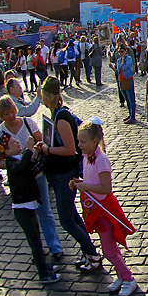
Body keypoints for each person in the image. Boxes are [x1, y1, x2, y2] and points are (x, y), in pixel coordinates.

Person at [38, 76, 102, 272]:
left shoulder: (61, 118)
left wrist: (47, 150)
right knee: (71, 216)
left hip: (64, 174)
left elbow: (69, 149)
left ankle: (92, 252)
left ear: (47, 96)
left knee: (66, 220)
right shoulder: (56, 114)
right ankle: (88, 251)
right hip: (59, 174)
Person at [71, 119, 138, 296]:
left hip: (105, 209)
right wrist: (81, 183)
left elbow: (106, 189)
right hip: (96, 209)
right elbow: (92, 182)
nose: (79, 145)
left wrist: (85, 186)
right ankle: (122, 275)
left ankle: (128, 278)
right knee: (112, 248)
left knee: (108, 251)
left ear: (95, 141)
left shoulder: (101, 160)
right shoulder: (87, 158)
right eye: (79, 141)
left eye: (83, 142)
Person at [0, 96, 64, 261]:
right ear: (1, 115)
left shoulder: (28, 123)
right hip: (20, 181)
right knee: (29, 219)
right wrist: (14, 164)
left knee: (45, 212)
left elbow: (43, 142)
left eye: (12, 112)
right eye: (6, 114)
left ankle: (55, 247)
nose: (11, 116)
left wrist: (36, 150)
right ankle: (37, 250)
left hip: (37, 175)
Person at [0, 132, 61, 284]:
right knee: (36, 244)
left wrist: (39, 154)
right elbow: (20, 168)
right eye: (14, 143)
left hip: (29, 206)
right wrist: (29, 150)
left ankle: (45, 266)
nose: (18, 143)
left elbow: (34, 169)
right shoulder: (11, 163)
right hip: (22, 209)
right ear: (7, 152)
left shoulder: (19, 159)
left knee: (37, 239)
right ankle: (44, 274)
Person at [114, 45, 137, 124]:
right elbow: (118, 70)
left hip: (128, 79)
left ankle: (133, 116)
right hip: (121, 80)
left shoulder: (129, 59)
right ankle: (130, 114)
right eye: (119, 52)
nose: (121, 53)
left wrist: (122, 64)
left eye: (122, 51)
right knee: (127, 99)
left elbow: (125, 68)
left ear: (125, 51)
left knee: (131, 99)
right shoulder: (118, 60)